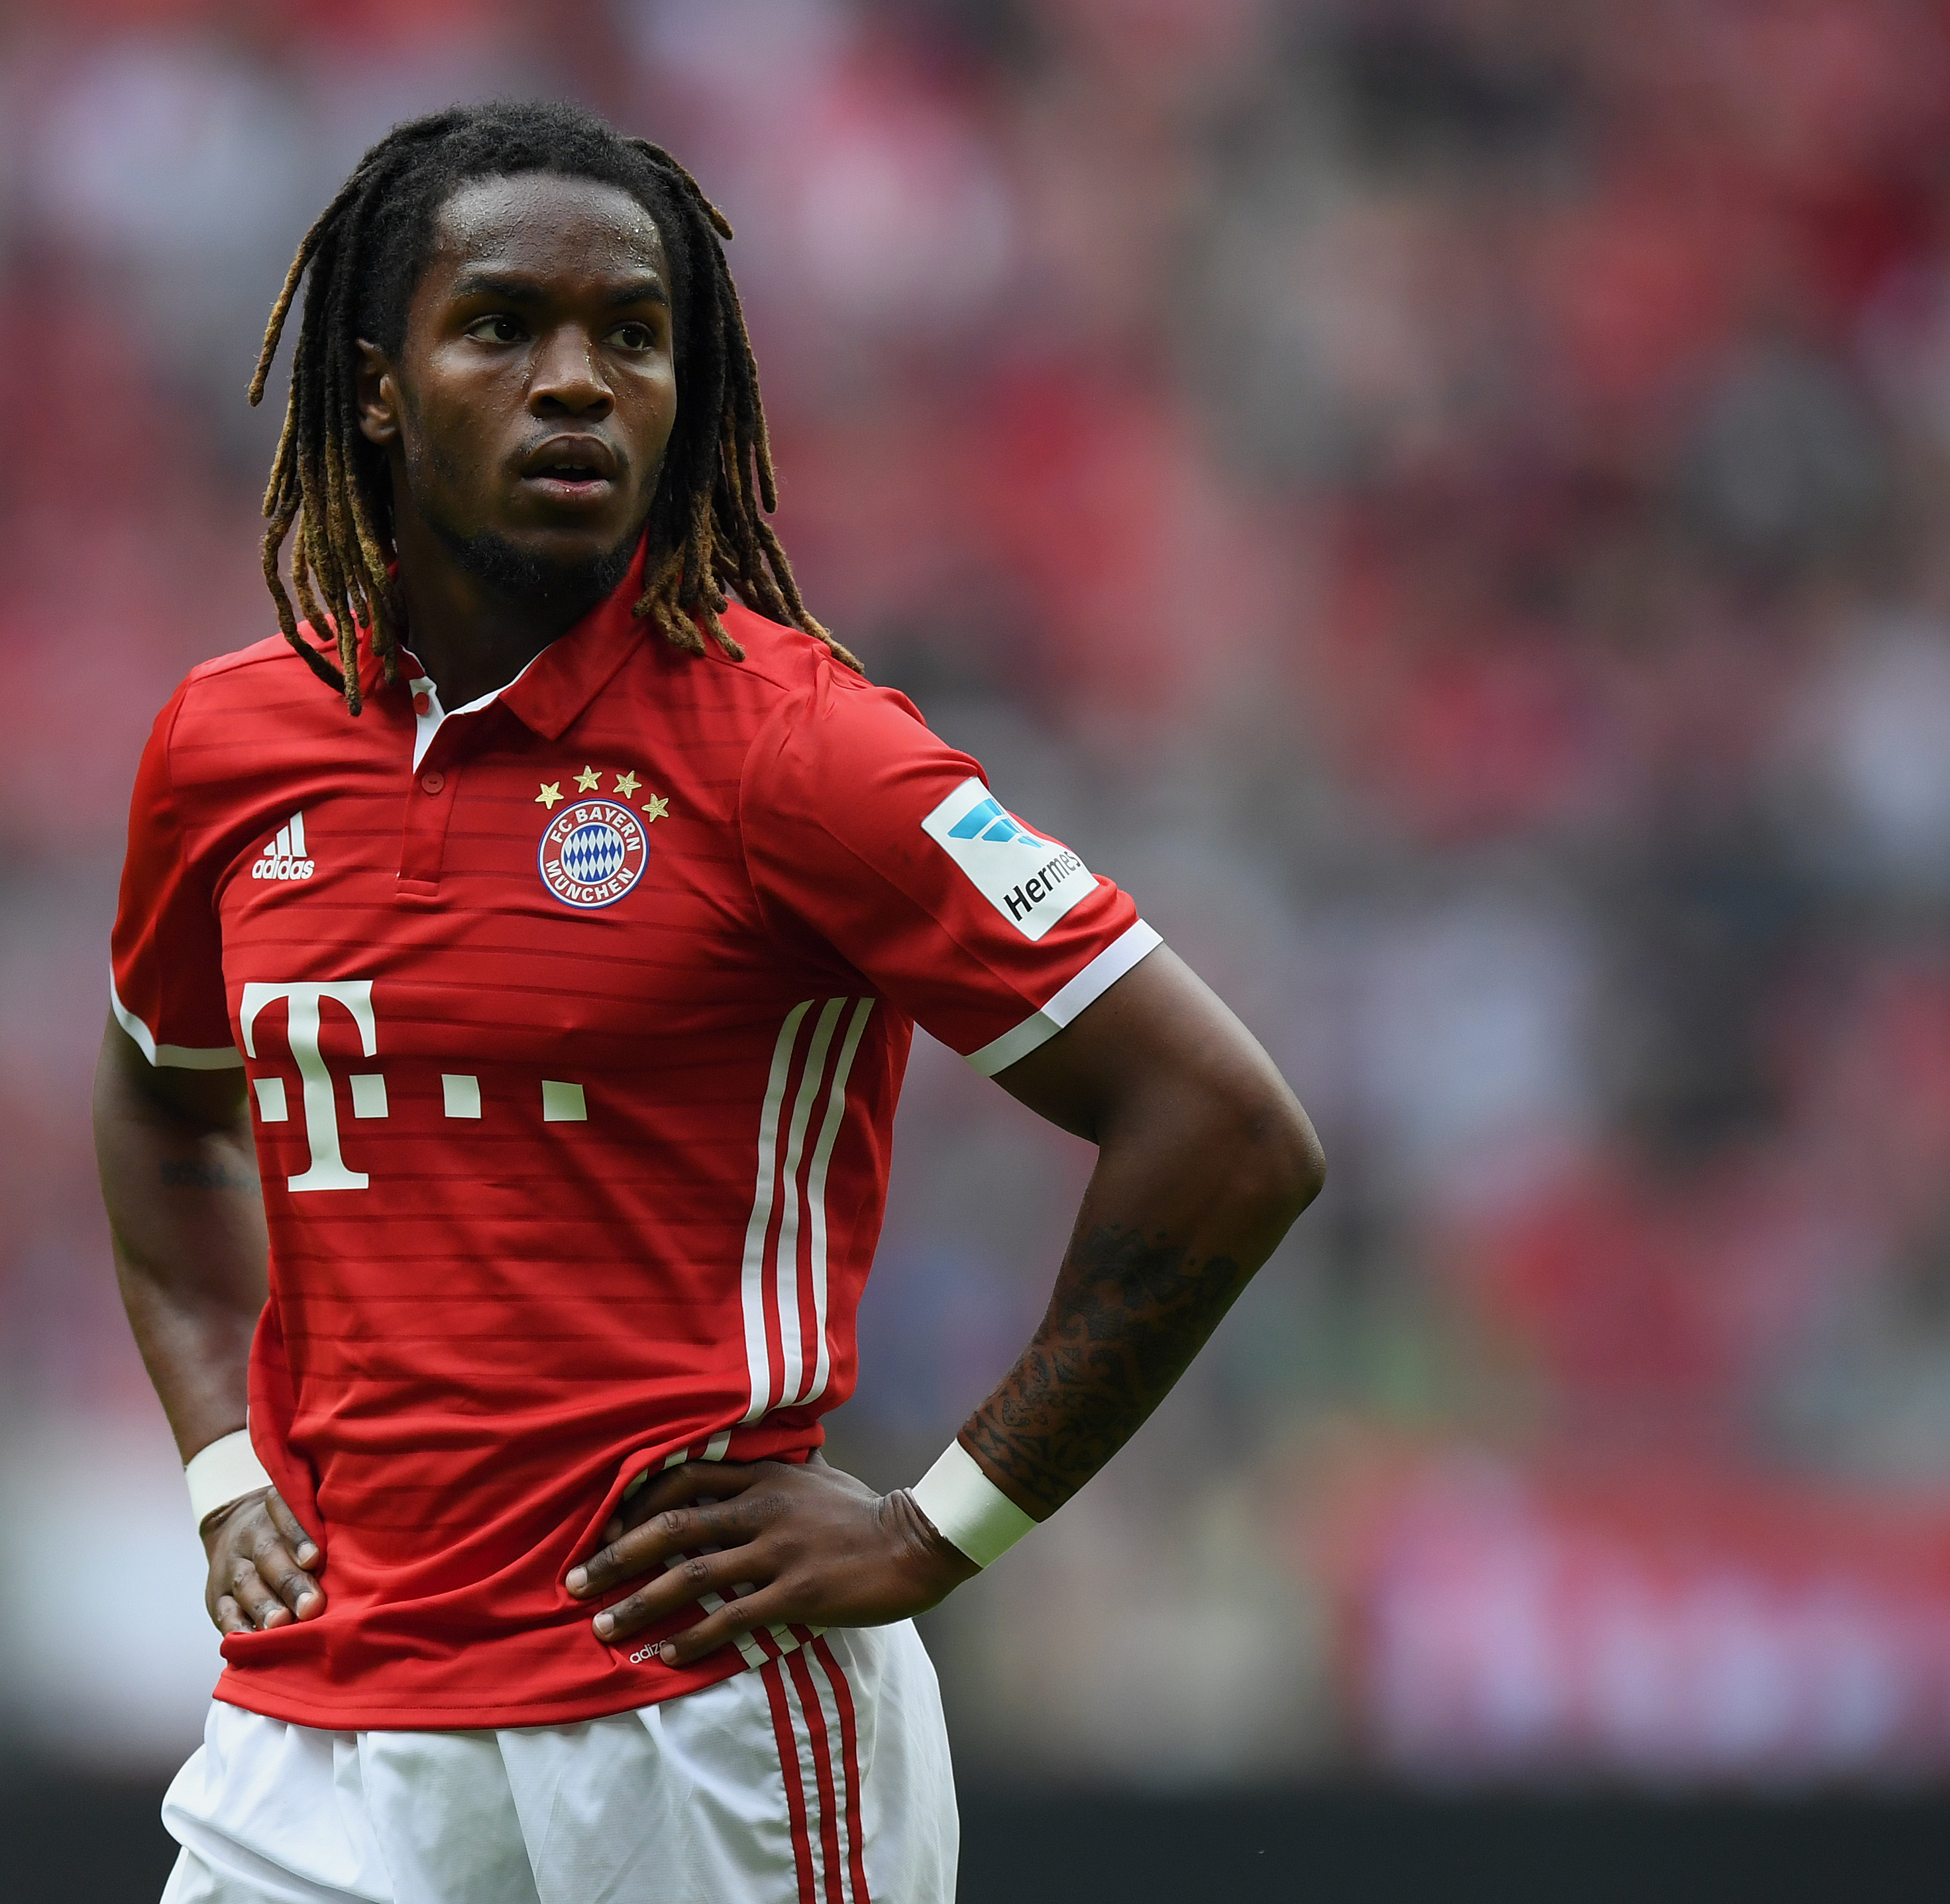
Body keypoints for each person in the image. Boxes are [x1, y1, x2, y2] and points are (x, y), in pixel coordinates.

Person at [94, 99, 1324, 1904]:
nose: (578, 380)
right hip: (324, 1725)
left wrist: (934, 1526)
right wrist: (222, 1464)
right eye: (503, 324)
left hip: (692, 1716)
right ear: (374, 385)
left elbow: (1225, 1131)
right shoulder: (226, 742)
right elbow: (157, 1099)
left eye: (633, 334)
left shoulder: (794, 750)